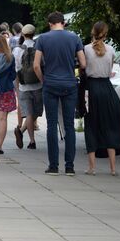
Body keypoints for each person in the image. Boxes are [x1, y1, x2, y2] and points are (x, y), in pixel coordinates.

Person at [34, 11, 85, 176]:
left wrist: (43, 80)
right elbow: (83, 63)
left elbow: (36, 65)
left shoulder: (42, 39)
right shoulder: (74, 38)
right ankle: (69, 166)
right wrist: (73, 70)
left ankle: (53, 166)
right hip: (69, 84)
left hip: (51, 83)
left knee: (51, 125)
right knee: (69, 126)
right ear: (63, 22)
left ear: (50, 24)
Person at [83, 22, 120, 175]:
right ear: (105, 34)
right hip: (107, 88)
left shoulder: (86, 49)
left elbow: (84, 68)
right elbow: (110, 68)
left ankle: (92, 168)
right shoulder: (111, 50)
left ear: (92, 32)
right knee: (110, 125)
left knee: (91, 125)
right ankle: (112, 168)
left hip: (92, 89)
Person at [13, 24, 42, 150]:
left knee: (29, 113)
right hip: (38, 84)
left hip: (24, 85)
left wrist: (17, 86)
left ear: (23, 34)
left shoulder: (17, 50)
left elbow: (16, 69)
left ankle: (31, 141)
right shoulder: (39, 47)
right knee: (36, 112)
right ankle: (22, 131)